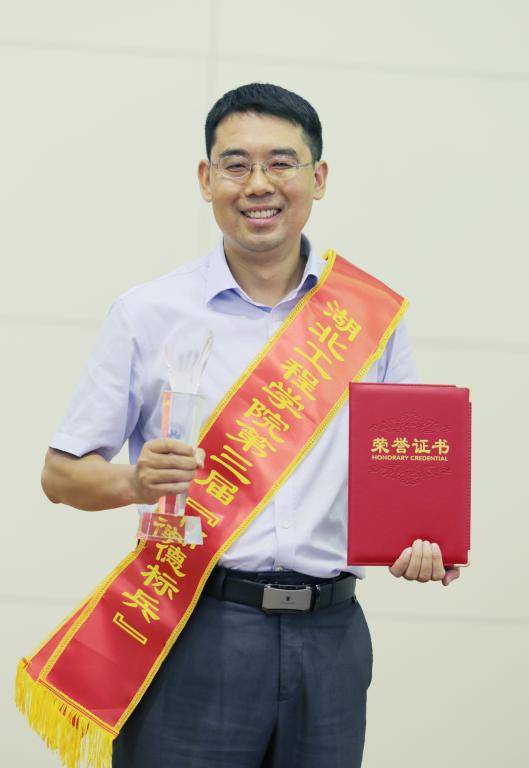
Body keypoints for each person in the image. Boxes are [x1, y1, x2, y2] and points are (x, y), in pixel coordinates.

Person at [41, 83, 460, 768]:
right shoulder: (148, 312)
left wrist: (425, 541)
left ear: (318, 178)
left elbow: (404, 476)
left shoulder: (371, 317)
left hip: (332, 636)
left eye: (281, 163)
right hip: (195, 627)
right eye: (235, 164)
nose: (258, 184)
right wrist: (134, 482)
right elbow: (61, 476)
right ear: (206, 180)